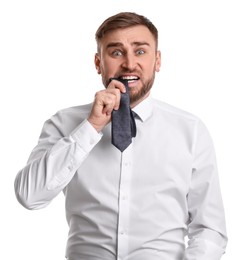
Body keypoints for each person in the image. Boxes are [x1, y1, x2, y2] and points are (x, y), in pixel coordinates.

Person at [14, 12, 227, 260]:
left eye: (140, 51)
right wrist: (91, 127)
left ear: (157, 61)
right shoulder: (63, 124)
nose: (128, 63)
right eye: (116, 52)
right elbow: (29, 196)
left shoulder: (190, 130)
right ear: (98, 63)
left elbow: (210, 228)